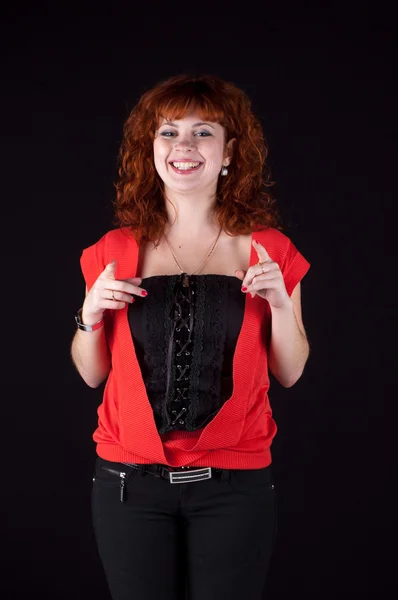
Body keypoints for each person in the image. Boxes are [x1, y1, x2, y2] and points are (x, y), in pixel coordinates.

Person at [70, 73, 311, 600]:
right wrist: (88, 315)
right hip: (128, 484)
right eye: (168, 132)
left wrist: (276, 302)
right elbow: (92, 373)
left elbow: (290, 371)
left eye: (204, 132)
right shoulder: (113, 248)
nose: (184, 146)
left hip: (236, 485)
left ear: (229, 154)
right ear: (150, 151)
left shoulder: (269, 248)